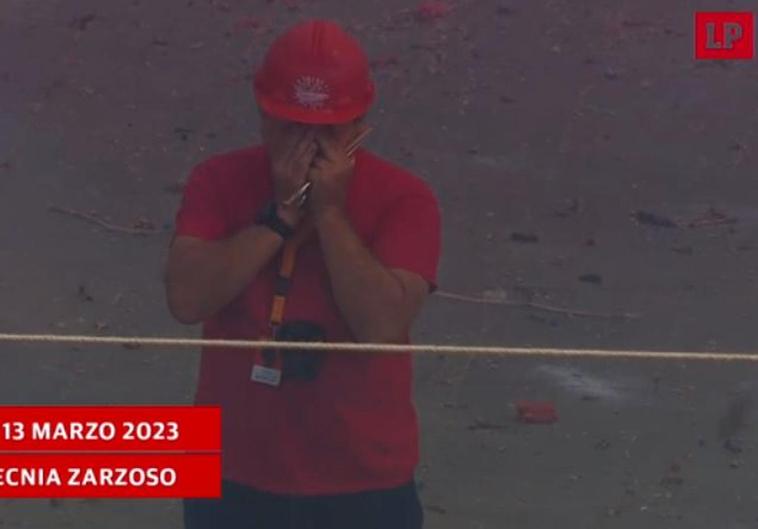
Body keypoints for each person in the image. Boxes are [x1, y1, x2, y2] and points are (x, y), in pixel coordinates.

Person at [165, 18, 441, 529]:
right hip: (232, 470)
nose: (309, 147)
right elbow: (186, 298)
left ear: (359, 124)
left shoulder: (406, 198)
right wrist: (280, 216)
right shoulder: (219, 181)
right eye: (291, 127)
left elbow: (380, 327)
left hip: (363, 479)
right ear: (263, 115)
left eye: (328, 131)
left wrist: (331, 215)